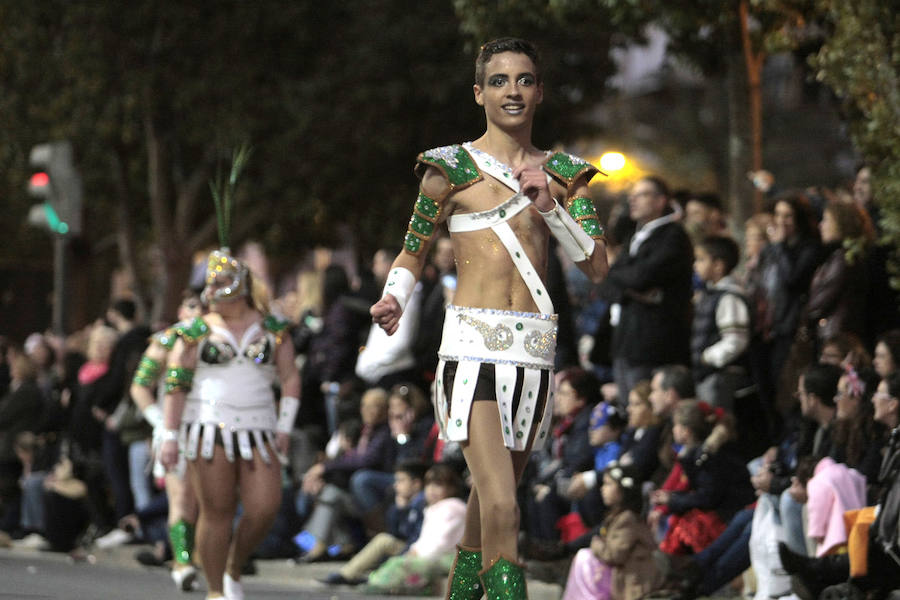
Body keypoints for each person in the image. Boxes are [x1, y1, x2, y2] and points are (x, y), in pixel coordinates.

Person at [369, 37, 608, 599]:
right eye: (499, 81)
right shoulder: (447, 169)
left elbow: (597, 266)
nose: (513, 91)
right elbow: (413, 248)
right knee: (503, 504)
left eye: (524, 80)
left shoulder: (567, 174)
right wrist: (395, 298)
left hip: (533, 357)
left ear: (540, 91)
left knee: (484, 514)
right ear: (479, 93)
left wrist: (547, 204)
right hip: (472, 353)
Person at [160, 245, 300, 600]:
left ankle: (234, 565)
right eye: (209, 282)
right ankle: (215, 591)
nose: (211, 290)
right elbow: (176, 386)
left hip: (260, 429)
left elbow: (290, 378)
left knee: (265, 507)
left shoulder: (274, 328)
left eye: (219, 281)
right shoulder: (194, 331)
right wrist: (169, 436)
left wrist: (284, 426)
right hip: (208, 428)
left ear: (240, 284)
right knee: (216, 511)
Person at [128, 289, 203, 590]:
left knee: (213, 504)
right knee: (181, 498)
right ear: (182, 310)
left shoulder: (226, 339)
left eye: (204, 306)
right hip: (177, 430)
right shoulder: (168, 339)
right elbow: (140, 386)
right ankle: (183, 562)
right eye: (192, 306)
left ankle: (208, 558)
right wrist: (160, 423)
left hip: (220, 430)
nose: (198, 312)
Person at [596, 176, 694, 405]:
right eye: (633, 194)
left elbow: (640, 277)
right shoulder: (635, 237)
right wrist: (631, 289)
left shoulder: (673, 237)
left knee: (648, 410)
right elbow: (606, 279)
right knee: (630, 411)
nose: (633, 199)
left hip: (653, 345)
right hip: (625, 342)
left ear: (660, 201)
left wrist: (625, 281)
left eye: (641, 194)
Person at [362, 463, 467, 596]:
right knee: (398, 561)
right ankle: (380, 582)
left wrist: (417, 553)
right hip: (433, 555)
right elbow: (423, 537)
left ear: (452, 488)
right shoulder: (433, 507)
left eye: (438, 485)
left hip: (448, 557)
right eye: (429, 485)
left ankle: (382, 584)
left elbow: (442, 542)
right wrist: (413, 550)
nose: (432, 490)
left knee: (402, 564)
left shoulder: (453, 508)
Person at [319, 459, 428, 586]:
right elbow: (393, 532)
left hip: (417, 551)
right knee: (385, 539)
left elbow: (416, 537)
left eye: (401, 481)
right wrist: (399, 510)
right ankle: (351, 575)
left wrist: (402, 556)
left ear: (416, 484)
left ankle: (347, 575)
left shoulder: (422, 504)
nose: (396, 485)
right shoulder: (404, 502)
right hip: (407, 547)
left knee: (383, 540)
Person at [562, 464, 662, 600]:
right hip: (620, 573)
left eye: (608, 484)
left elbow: (614, 555)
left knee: (584, 558)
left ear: (622, 490)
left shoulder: (627, 519)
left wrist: (595, 543)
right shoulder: (619, 516)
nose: (603, 489)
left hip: (631, 580)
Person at [691, 235, 751, 412]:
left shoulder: (729, 297)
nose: (696, 265)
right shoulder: (710, 295)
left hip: (720, 376)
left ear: (718, 265)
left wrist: (708, 357)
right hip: (708, 375)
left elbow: (736, 340)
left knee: (716, 418)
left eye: (701, 260)